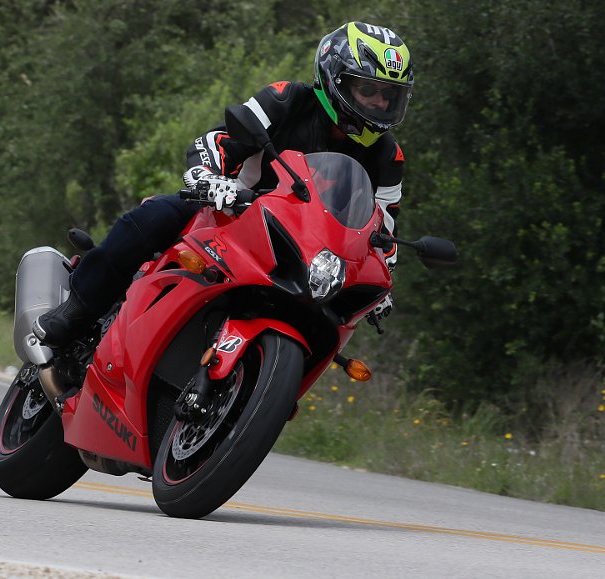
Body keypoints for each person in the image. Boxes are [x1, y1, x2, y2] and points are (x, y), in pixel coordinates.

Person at [33, 21, 413, 348]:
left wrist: (381, 281)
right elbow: (220, 140)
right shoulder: (287, 98)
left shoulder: (387, 155)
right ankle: (77, 309)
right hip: (228, 213)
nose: (379, 104)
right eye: (369, 90)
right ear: (335, 78)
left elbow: (384, 230)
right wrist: (208, 177)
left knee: (328, 323)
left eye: (389, 96)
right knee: (153, 217)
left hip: (305, 252)